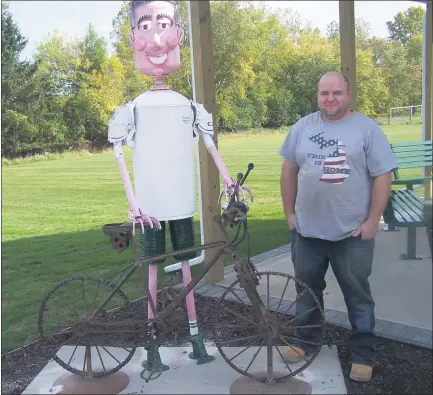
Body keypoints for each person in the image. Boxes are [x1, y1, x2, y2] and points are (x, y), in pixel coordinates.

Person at [278, 71, 397, 382]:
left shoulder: (367, 129)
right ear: (317, 95)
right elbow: (288, 169)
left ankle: (363, 355)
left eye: (337, 93)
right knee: (306, 291)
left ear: (348, 95)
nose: (330, 99)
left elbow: (384, 175)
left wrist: (372, 221)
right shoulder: (303, 127)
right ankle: (305, 340)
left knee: (357, 295)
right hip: (307, 232)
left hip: (352, 234)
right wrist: (290, 215)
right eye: (324, 93)